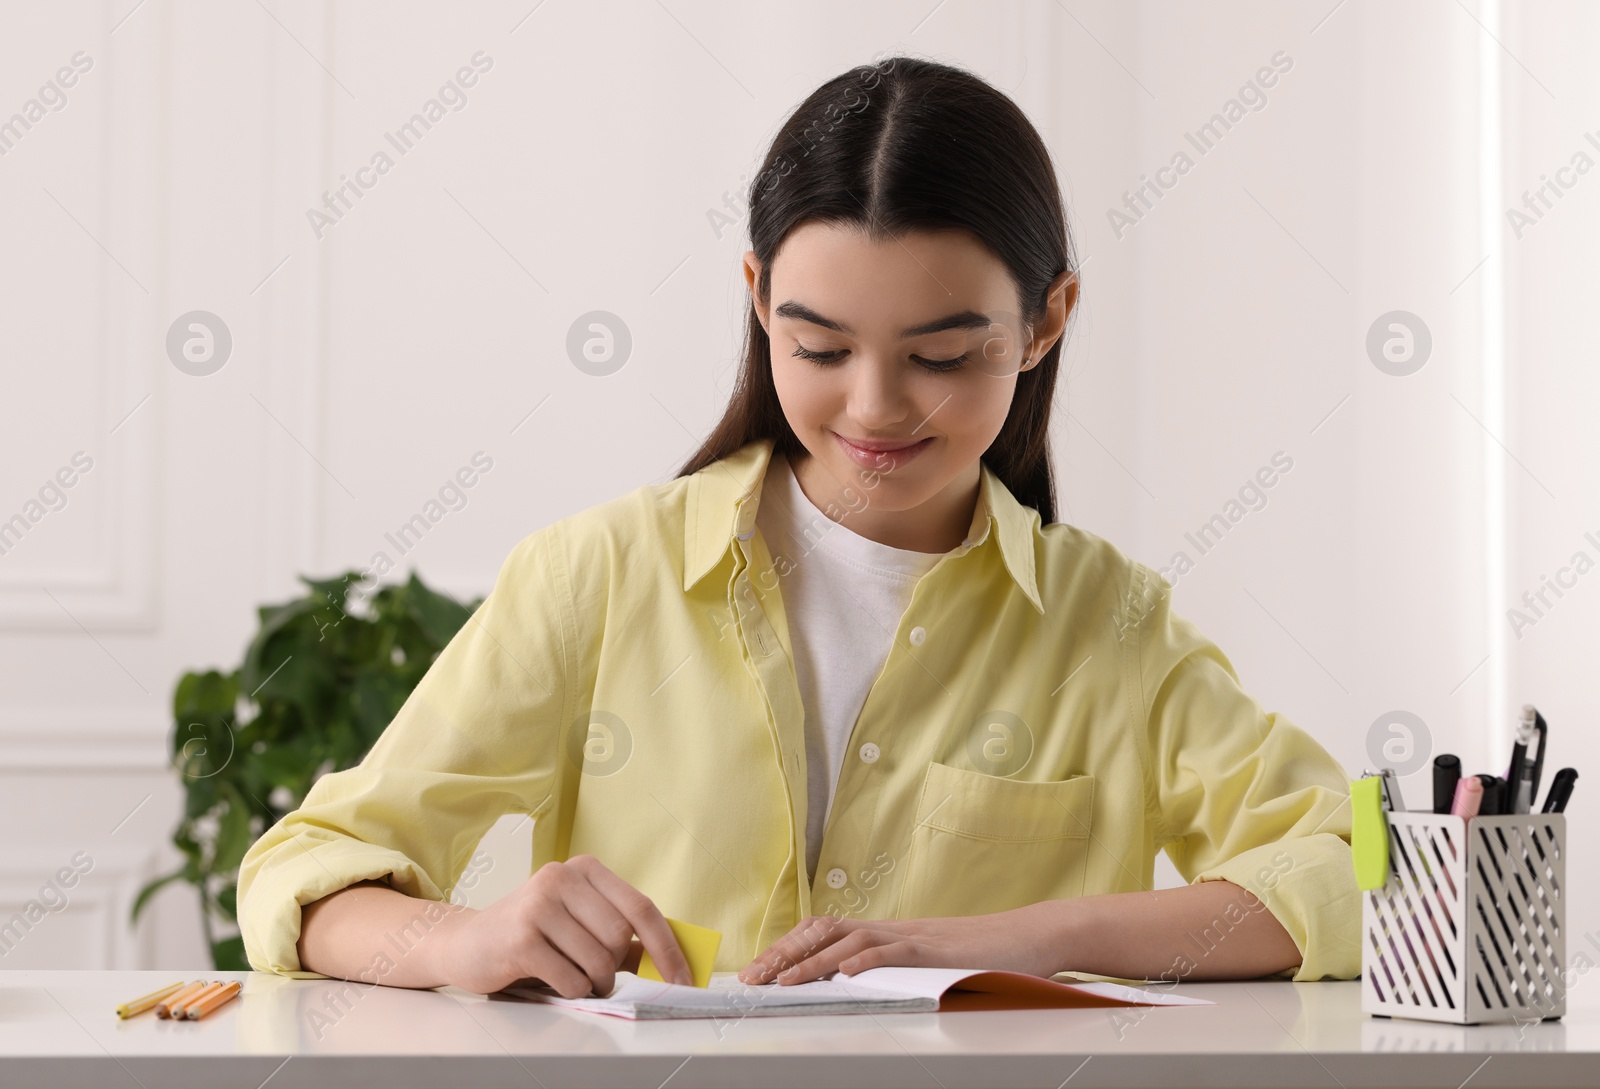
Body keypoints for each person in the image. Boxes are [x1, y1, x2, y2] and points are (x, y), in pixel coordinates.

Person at [238, 55, 1359, 1000]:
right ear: (758, 298)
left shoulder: (1107, 628)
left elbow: (1363, 871)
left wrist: (1017, 942)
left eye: (940, 355)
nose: (874, 406)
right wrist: (466, 942)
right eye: (818, 347)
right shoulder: (599, 577)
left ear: (1044, 322)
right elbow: (307, 872)